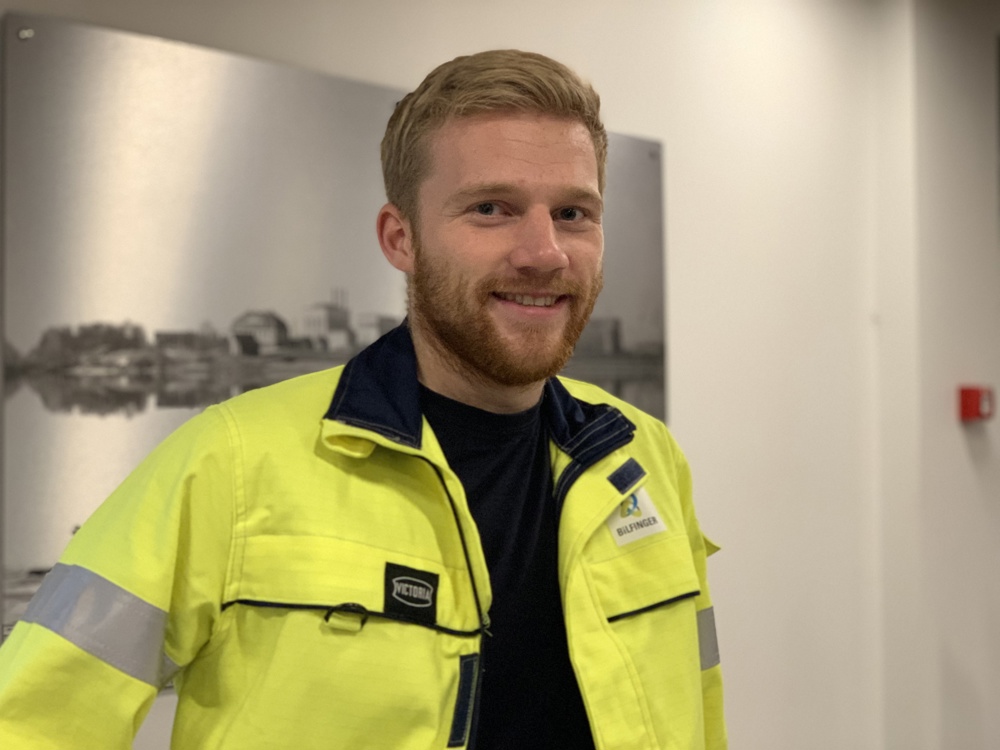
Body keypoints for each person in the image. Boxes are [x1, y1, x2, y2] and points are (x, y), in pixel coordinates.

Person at [0, 49, 726, 749]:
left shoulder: (643, 457)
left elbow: (697, 713)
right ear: (400, 238)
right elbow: (29, 722)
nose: (545, 251)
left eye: (573, 213)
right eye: (491, 209)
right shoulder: (229, 464)